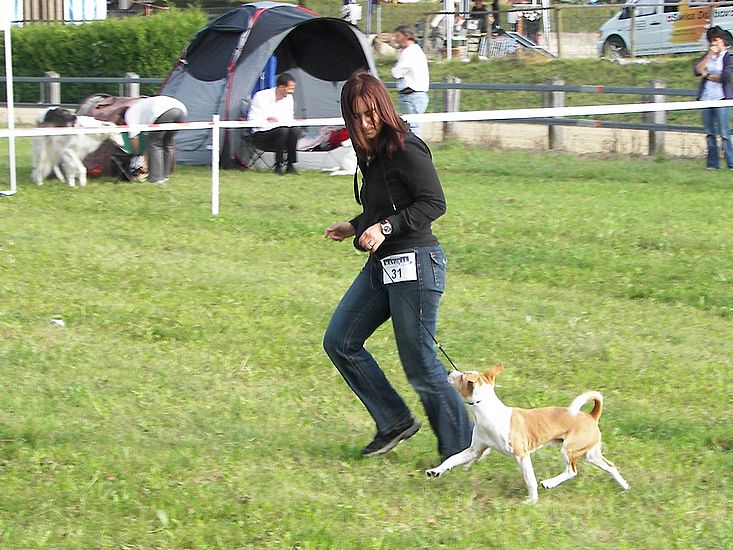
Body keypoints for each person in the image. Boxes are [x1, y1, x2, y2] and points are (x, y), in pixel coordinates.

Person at [322, 73, 473, 460]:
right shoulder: (371, 155)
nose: (365, 122)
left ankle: (461, 446)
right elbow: (386, 205)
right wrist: (355, 225)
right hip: (383, 265)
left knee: (420, 362)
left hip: (417, 264)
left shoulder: (406, 147)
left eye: (371, 113)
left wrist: (384, 228)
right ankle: (394, 421)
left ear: (384, 108)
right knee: (340, 341)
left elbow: (433, 203)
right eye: (356, 116)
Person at [694, 26, 733, 171]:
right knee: (710, 133)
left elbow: (726, 77)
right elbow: (697, 70)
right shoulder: (708, 56)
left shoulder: (728, 58)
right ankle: (712, 164)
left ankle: (731, 163)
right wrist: (709, 55)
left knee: (724, 133)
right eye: (710, 41)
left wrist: (708, 75)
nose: (713, 43)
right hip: (706, 98)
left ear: (722, 40)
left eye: (715, 40)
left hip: (721, 98)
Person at [124, 95, 187, 184]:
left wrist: (137, 155)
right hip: (181, 110)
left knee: (155, 144)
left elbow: (134, 137)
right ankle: (166, 175)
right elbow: (147, 143)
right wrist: (145, 159)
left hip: (163, 111)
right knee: (168, 143)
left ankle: (156, 178)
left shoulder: (129, 114)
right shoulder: (142, 110)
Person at [247, 72, 301, 175]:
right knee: (282, 131)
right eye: (290, 89)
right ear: (281, 87)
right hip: (261, 134)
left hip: (281, 132)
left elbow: (289, 118)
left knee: (294, 130)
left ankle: (290, 165)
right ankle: (278, 165)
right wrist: (266, 120)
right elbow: (252, 119)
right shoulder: (261, 96)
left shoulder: (289, 98)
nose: (292, 92)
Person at [391, 25, 430, 139]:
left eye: (398, 36)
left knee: (413, 128)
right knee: (413, 128)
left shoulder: (409, 52)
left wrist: (394, 68)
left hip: (411, 96)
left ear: (406, 36)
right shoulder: (415, 51)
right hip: (414, 95)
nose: (396, 39)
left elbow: (396, 73)